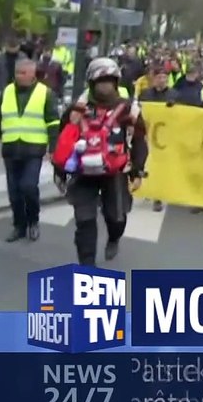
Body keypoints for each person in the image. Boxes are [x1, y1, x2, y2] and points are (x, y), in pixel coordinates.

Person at [58, 58, 148, 265]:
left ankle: (114, 237)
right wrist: (60, 170)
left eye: (109, 80)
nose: (105, 85)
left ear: (116, 83)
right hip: (83, 172)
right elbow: (64, 139)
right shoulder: (77, 109)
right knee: (84, 221)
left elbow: (139, 141)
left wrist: (137, 170)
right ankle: (87, 266)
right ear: (92, 83)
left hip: (115, 172)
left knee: (116, 217)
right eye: (100, 81)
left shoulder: (129, 109)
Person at [0, 58, 60, 242]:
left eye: (23, 73)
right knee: (14, 192)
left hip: (34, 148)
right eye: (17, 73)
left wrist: (53, 148)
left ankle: (33, 221)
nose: (19, 76)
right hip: (11, 149)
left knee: (28, 187)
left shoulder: (44, 93)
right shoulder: (7, 92)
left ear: (33, 74)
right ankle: (19, 226)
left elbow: (53, 123)